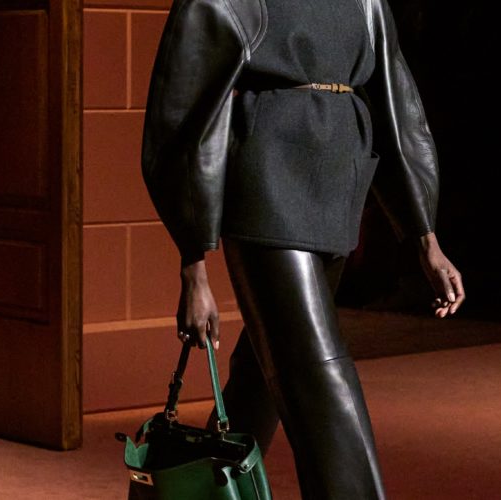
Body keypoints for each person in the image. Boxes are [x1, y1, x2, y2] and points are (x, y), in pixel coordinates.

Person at [141, 0, 465, 497]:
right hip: (268, 189)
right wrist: (193, 264)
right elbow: (181, 116)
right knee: (321, 381)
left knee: (263, 380)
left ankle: (203, 492)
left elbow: (399, 112)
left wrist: (426, 238)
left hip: (337, 196)